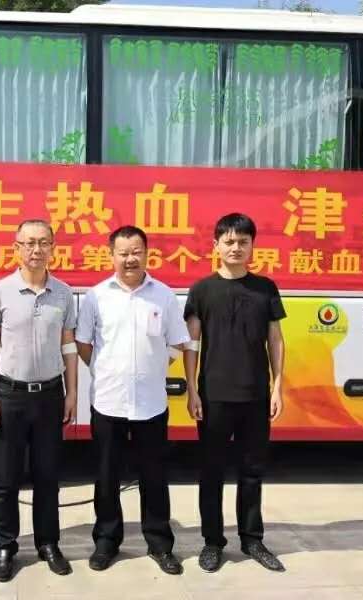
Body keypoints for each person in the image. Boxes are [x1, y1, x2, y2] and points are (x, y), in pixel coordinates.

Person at [76, 225, 190, 576]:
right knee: (106, 476)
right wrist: (105, 369)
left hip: (151, 404)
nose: (130, 259)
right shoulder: (96, 297)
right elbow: (84, 344)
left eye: (136, 252)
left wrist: (153, 367)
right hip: (108, 401)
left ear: (147, 254)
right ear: (111, 255)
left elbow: (177, 342)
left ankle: (160, 544)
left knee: (154, 476)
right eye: (123, 253)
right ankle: (106, 542)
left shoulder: (164, 296)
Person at [183, 213, 286, 573]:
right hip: (213, 397)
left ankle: (252, 539)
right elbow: (192, 343)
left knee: (252, 472)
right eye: (228, 241)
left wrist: (277, 386)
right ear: (216, 246)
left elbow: (275, 339)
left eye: (243, 242)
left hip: (256, 395)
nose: (236, 248)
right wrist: (192, 389)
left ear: (252, 246)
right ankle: (212, 542)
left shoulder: (265, 288)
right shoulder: (202, 290)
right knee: (211, 473)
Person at [0, 219, 78, 582]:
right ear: (16, 248)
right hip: (10, 395)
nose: (37, 250)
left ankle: (48, 543)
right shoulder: (0, 291)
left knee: (47, 476)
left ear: (53, 248)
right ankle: (5, 546)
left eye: (43, 243)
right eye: (29, 243)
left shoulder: (63, 293)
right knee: (5, 478)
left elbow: (69, 346)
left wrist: (72, 393)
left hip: (50, 395)